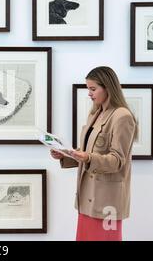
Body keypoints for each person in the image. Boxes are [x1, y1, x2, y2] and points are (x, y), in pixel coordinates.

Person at [51, 66, 137, 241]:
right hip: (87, 196)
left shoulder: (122, 116)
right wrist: (66, 155)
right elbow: (88, 152)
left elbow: (117, 160)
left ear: (108, 87)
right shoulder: (95, 114)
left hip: (107, 201)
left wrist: (88, 157)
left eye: (93, 89)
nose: (89, 94)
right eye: (88, 89)